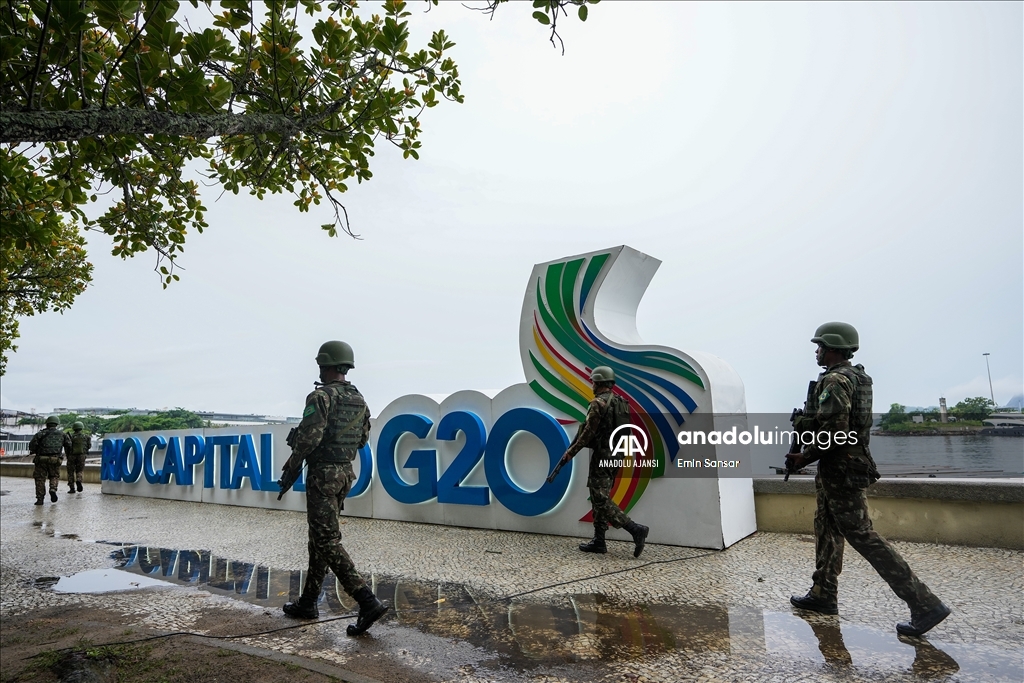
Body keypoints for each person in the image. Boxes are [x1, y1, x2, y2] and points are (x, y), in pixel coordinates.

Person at [787, 322, 950, 637]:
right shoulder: (856, 377)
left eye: (820, 345)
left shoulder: (835, 380)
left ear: (834, 347)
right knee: (827, 527)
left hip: (842, 468)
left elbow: (836, 432)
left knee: (863, 536)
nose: (816, 350)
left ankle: (924, 603)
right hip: (842, 466)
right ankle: (823, 594)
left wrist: (803, 457)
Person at [280, 340, 389, 636]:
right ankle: (308, 602)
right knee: (320, 536)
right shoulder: (359, 399)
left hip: (322, 476)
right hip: (343, 474)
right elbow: (363, 439)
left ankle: (367, 601)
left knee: (327, 540)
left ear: (325, 365)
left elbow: (308, 439)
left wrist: (291, 467)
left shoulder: (320, 397)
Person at [555, 366, 649, 558]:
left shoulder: (598, 404)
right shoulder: (621, 402)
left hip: (603, 456)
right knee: (600, 496)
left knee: (600, 498)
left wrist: (569, 453)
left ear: (598, 383)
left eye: (593, 382)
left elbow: (588, 434)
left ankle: (634, 529)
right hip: (618, 455)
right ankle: (599, 541)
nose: (592, 385)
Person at [29, 416, 71, 505]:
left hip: (41, 460)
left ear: (47, 423)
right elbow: (69, 445)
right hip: (55, 460)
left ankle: (40, 499)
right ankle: (53, 489)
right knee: (54, 476)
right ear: (56, 424)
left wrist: (35, 450)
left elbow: (32, 445)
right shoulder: (62, 434)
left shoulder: (40, 434)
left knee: (40, 479)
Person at [67, 421, 91, 493]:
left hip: (71, 456)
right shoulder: (86, 437)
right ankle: (78, 480)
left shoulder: (70, 437)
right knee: (79, 470)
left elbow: (67, 447)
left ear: (74, 428)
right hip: (81, 456)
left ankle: (72, 488)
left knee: (70, 472)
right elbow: (89, 446)